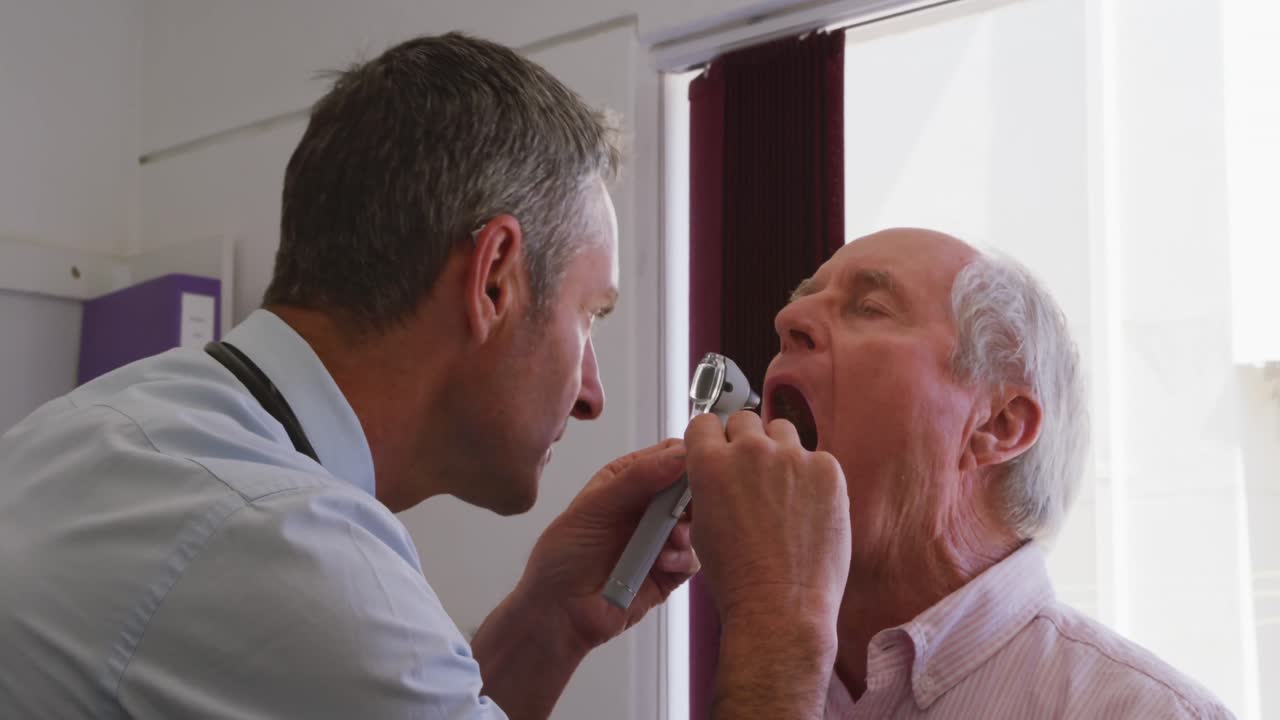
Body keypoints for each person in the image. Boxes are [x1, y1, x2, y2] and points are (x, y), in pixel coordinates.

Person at [0, 33, 853, 719]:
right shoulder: (290, 550)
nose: (591, 393)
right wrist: (783, 628)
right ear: (493, 279)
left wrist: (549, 622)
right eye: (589, 317)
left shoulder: (96, 430)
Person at [686, 227, 1233, 718]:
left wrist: (774, 643)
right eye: (803, 301)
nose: (787, 320)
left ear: (997, 425)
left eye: (870, 307)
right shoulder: (763, 668)